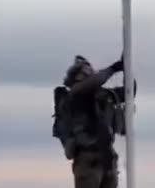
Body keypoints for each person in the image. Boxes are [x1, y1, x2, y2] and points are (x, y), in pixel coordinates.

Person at [53, 55, 137, 188]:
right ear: (77, 78)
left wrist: (127, 69)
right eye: (85, 72)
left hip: (108, 159)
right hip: (87, 160)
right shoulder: (75, 96)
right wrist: (114, 68)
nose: (91, 73)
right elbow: (94, 82)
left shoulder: (105, 96)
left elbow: (130, 91)